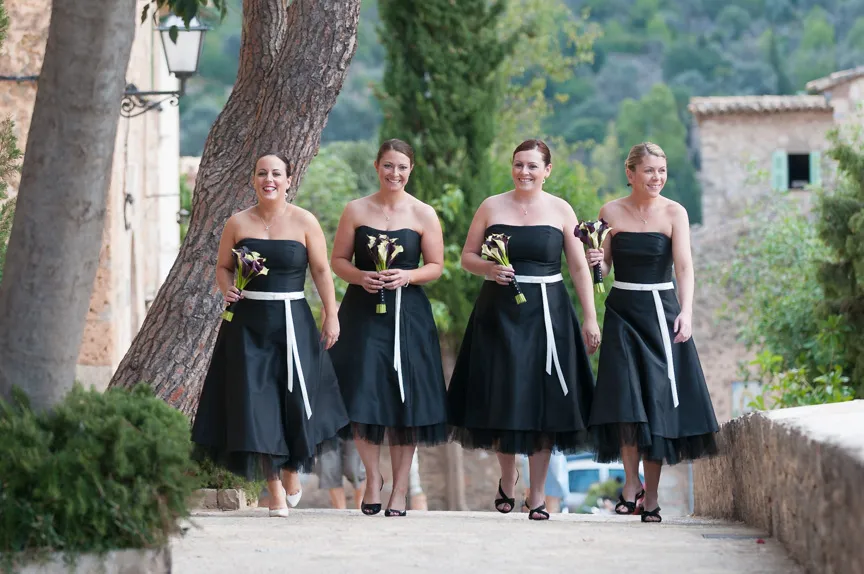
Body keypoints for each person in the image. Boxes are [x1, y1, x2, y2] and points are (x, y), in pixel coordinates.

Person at [447, 139, 601, 521]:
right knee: (505, 395)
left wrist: (590, 316)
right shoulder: (491, 206)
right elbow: (467, 256)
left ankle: (536, 494)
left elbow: (579, 268)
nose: (524, 172)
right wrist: (489, 268)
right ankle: (506, 476)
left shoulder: (562, 210)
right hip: (498, 315)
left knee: (543, 401)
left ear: (547, 170)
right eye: (519, 164)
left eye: (533, 166)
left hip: (549, 314)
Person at [192, 152, 350, 518]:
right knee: (255, 404)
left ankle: (293, 470)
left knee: (294, 399)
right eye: (262, 173)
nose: (269, 179)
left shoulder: (305, 221)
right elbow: (222, 267)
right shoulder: (237, 222)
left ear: (288, 180)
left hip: (293, 322)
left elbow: (323, 271)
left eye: (276, 173)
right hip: (246, 325)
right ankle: (275, 489)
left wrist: (332, 314)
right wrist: (226, 288)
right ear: (253, 179)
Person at [585, 142, 719, 524]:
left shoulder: (675, 212)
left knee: (656, 403)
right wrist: (597, 259)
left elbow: (685, 268)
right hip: (622, 313)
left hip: (661, 314)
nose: (657, 177)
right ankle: (631, 486)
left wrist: (687, 313)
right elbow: (606, 269)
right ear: (630, 174)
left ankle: (653, 496)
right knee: (626, 401)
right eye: (649, 171)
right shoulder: (609, 211)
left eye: (661, 170)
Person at [329, 139, 448, 517]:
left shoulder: (424, 213)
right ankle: (372, 478)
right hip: (362, 314)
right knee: (361, 396)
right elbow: (337, 261)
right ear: (377, 166)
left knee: (404, 403)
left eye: (402, 167)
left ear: (411, 170)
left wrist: (408, 276)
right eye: (388, 166)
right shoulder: (356, 210)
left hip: (408, 315)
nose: (394, 173)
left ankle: (400, 490)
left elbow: (436, 266)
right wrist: (361, 276)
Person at [315, 438, 366, 510]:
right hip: (326, 429)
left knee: (354, 467)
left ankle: (361, 505)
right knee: (329, 467)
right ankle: (341, 510)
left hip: (354, 429)